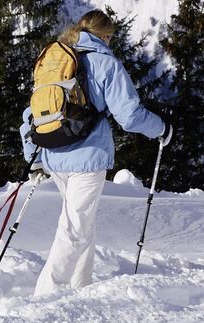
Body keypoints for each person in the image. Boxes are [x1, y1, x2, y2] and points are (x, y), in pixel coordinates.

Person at [19, 9, 173, 296]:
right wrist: (162, 129)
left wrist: (36, 158)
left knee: (81, 222)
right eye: (110, 38)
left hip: (55, 154)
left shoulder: (59, 59)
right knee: (74, 228)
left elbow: (32, 112)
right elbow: (130, 117)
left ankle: (81, 286)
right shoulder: (105, 63)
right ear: (104, 35)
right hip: (87, 158)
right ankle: (44, 295)